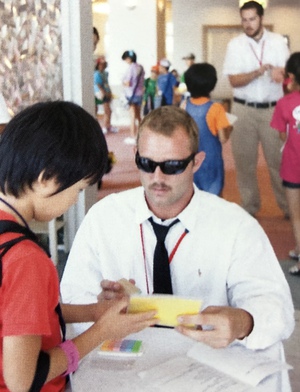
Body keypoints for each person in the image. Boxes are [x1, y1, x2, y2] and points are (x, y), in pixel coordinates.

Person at [61, 106, 294, 387]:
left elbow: (274, 305)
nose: (157, 178)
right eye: (146, 163)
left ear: (197, 162)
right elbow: (71, 300)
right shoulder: (104, 218)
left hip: (209, 365)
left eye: (172, 166)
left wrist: (243, 322)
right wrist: (97, 307)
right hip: (127, 360)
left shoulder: (234, 225)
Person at [0, 101, 156, 392]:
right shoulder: (25, 260)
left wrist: (93, 312)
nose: (74, 201)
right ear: (47, 179)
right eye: (78, 189)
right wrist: (101, 332)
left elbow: (16, 313)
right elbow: (22, 379)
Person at [223, 0, 289, 217]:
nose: (248, 24)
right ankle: (250, 206)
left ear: (261, 18)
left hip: (273, 109)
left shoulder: (278, 42)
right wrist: (257, 72)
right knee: (244, 162)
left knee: (277, 162)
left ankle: (288, 207)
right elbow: (234, 80)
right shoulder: (235, 45)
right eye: (244, 19)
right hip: (243, 110)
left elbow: (288, 77)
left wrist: (281, 75)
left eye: (252, 19)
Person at [182, 63, 232, 195]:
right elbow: (223, 138)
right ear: (212, 84)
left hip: (190, 159)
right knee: (213, 197)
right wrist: (229, 128)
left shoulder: (184, 105)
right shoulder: (216, 108)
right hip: (211, 161)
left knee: (192, 196)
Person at [270, 52, 300, 275]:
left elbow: (282, 135)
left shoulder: (284, 103)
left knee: (296, 213)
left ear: (290, 75)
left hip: (293, 165)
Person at [121, 50, 145, 145]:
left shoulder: (131, 68)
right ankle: (141, 135)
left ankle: (133, 136)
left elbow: (128, 82)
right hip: (139, 94)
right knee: (139, 117)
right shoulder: (141, 67)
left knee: (132, 116)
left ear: (129, 58)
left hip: (131, 95)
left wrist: (122, 82)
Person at [94, 55, 117, 134]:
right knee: (107, 110)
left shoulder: (105, 73)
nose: (103, 66)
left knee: (109, 111)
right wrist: (104, 92)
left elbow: (106, 83)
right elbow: (98, 84)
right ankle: (105, 126)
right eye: (101, 64)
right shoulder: (97, 74)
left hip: (106, 91)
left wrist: (109, 92)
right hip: (101, 93)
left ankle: (108, 125)